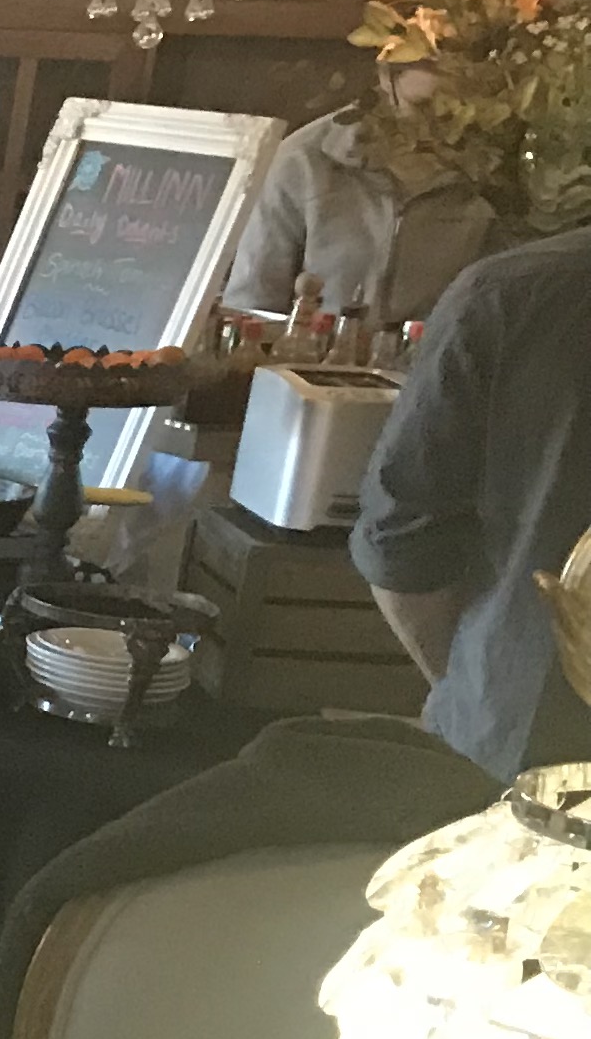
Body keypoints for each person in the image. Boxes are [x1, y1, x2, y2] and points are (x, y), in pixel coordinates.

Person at [348, 224, 591, 775]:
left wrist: (472, 689)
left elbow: (401, 551)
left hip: (528, 758)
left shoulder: (512, 292)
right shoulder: (510, 291)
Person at [222, 57, 499, 338]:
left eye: (457, 111)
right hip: (308, 359)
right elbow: (251, 305)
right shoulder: (303, 161)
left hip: (438, 360)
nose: (443, 128)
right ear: (385, 76)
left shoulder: (500, 171)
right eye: (424, 107)